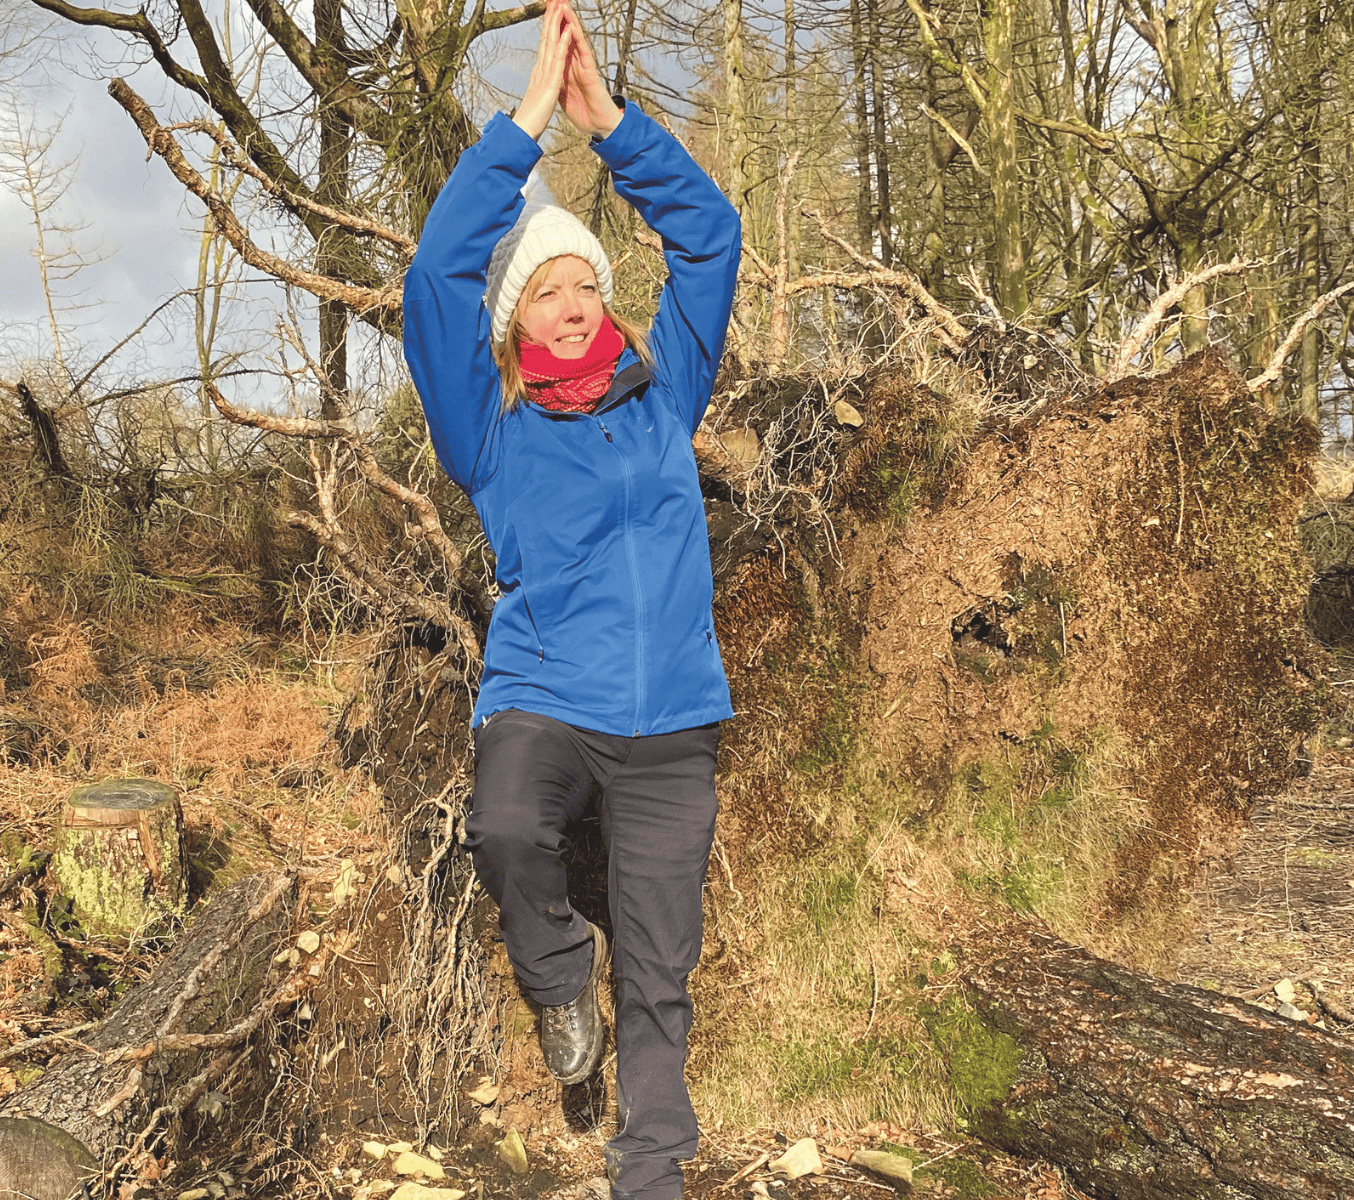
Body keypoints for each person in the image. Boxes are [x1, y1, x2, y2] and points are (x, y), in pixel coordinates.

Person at [402, 3, 740, 1197]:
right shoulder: (487, 434)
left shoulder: (665, 395)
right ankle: (554, 984)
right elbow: (434, 278)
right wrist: (527, 127)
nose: (574, 303)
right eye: (545, 293)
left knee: (659, 972)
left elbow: (709, 237)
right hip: (546, 698)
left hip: (671, 730)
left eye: (583, 283)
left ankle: (650, 1173)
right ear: (517, 323)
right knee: (502, 827)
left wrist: (614, 128)